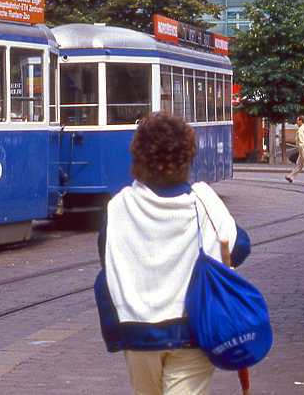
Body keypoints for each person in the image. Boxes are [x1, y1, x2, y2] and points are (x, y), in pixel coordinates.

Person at [95, 112, 251, 395]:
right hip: (194, 330)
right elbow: (239, 248)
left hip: (138, 333)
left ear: (138, 154)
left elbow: (108, 262)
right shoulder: (203, 200)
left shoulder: (118, 207)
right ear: (187, 155)